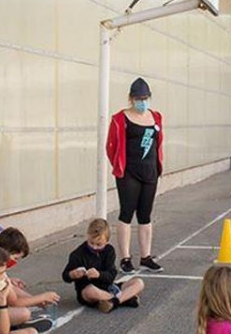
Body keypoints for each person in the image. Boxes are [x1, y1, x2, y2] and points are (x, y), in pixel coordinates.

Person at [106, 77, 165, 275]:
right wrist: (119, 166)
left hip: (150, 172)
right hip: (129, 173)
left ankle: (146, 257)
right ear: (131, 99)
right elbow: (111, 146)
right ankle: (125, 258)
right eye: (139, 98)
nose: (143, 101)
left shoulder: (156, 117)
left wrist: (158, 167)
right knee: (126, 213)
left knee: (145, 215)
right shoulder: (120, 119)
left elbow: (158, 143)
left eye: (146, 98)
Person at [62, 219, 144, 313]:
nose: (94, 247)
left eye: (99, 244)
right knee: (90, 291)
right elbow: (65, 276)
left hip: (109, 287)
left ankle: (114, 301)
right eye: (91, 243)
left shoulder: (109, 251)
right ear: (87, 236)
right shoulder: (78, 254)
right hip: (89, 290)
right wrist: (72, 274)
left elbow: (111, 275)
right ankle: (125, 299)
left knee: (139, 282)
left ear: (107, 241)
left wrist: (98, 275)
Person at [0, 227, 57, 332]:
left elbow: (9, 288)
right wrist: (41, 298)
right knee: (24, 313)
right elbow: (15, 302)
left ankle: (15, 323)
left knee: (11, 286)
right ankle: (10, 326)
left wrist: (36, 301)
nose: (14, 263)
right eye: (15, 258)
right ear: (7, 252)